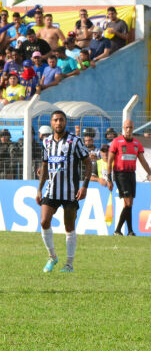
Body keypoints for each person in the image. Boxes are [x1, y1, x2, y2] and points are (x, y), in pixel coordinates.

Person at [36, 111, 92, 273]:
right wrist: (39, 189)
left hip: (71, 192)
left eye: (61, 120)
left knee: (69, 227)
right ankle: (52, 257)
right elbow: (45, 165)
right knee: (44, 221)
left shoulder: (75, 141)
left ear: (65, 122)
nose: (58, 123)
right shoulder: (47, 142)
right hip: (51, 191)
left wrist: (84, 186)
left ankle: (69, 264)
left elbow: (88, 164)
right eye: (55, 120)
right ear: (52, 123)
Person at [106, 120, 151, 236]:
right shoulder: (116, 142)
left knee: (129, 204)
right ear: (123, 128)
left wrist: (150, 174)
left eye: (131, 128)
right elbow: (109, 161)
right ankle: (117, 230)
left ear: (133, 128)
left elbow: (143, 161)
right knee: (127, 202)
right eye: (127, 127)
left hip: (131, 174)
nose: (128, 130)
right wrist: (109, 179)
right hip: (120, 174)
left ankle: (130, 231)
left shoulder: (137, 144)